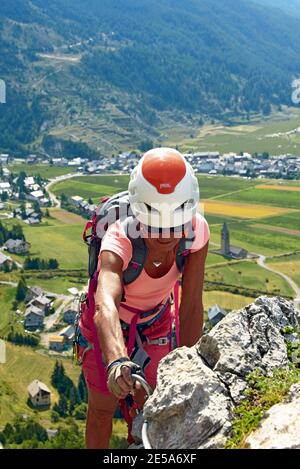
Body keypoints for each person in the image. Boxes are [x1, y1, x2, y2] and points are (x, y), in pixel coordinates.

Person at [78, 147, 210, 448]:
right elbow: (105, 304)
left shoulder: (197, 233)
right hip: (105, 328)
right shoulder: (119, 239)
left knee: (148, 404)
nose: (166, 237)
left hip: (156, 322)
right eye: (157, 227)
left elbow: (190, 306)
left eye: (174, 227)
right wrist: (116, 359)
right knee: (101, 408)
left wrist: (189, 366)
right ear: (139, 217)